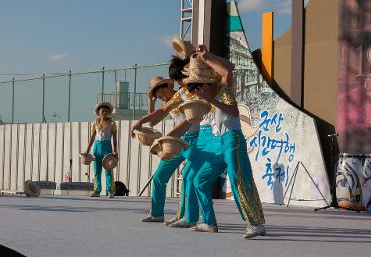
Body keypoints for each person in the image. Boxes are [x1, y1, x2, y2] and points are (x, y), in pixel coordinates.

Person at [176, 46, 266, 239]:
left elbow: (234, 111)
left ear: (209, 82)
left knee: (238, 178)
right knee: (200, 181)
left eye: (200, 84)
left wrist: (208, 57)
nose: (197, 89)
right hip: (216, 143)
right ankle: (209, 222)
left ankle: (255, 224)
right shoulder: (203, 96)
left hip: (233, 140)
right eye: (195, 85)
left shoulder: (224, 88)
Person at [132, 76, 199, 227]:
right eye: (159, 96)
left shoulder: (183, 93)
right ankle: (156, 213)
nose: (162, 96)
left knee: (188, 178)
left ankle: (183, 216)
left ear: (168, 86)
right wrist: (151, 101)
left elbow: (191, 118)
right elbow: (153, 121)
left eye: (163, 91)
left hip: (195, 139)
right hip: (176, 141)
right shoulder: (168, 103)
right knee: (159, 176)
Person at [84, 102, 118, 198]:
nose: (104, 113)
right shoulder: (95, 123)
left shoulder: (112, 123)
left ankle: (110, 190)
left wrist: (115, 151)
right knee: (96, 170)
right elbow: (92, 137)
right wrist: (87, 150)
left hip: (107, 146)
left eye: (106, 111)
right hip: (97, 147)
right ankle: (97, 190)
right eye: (102, 111)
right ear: (98, 112)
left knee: (108, 169)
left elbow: (114, 138)